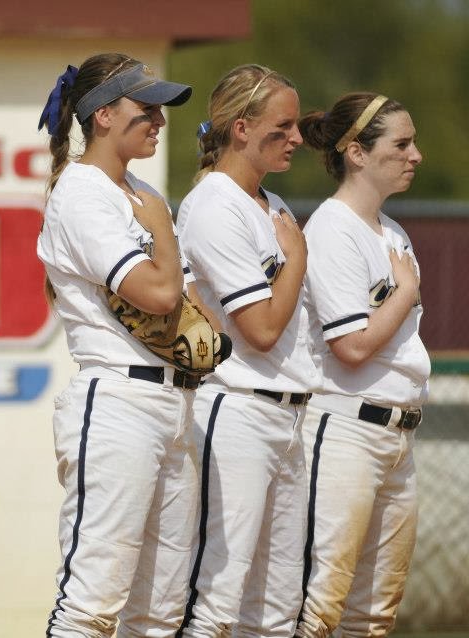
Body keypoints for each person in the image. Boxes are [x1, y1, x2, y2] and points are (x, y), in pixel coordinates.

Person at [36, 53, 200, 637]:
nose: (158, 120)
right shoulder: (84, 192)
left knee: (158, 613)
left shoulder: (131, 188)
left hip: (173, 406)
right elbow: (158, 294)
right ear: (103, 115)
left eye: (161, 110)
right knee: (91, 606)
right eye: (145, 107)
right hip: (118, 405)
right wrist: (160, 221)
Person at [174, 64, 317, 637]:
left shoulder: (271, 203)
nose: (298, 138)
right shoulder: (215, 204)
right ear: (240, 128)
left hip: (288, 410)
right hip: (235, 410)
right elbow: (258, 329)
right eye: (283, 127)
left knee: (279, 606)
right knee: (217, 600)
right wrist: (298, 257)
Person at [293, 93, 427, 638]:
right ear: (357, 153)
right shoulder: (332, 228)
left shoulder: (393, 232)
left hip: (399, 434)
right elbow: (350, 346)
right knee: (321, 604)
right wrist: (407, 291)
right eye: (401, 143)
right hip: (345, 428)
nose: (415, 155)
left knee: (374, 614)